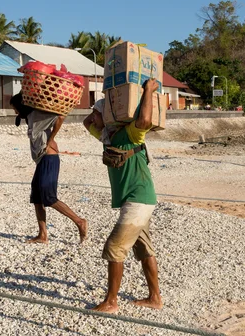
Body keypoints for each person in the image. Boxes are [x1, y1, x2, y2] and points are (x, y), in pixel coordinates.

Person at [83, 79, 163, 313]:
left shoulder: (131, 134)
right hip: (135, 199)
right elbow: (86, 122)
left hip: (138, 199)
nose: (93, 118)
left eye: (96, 114)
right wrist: (101, 111)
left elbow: (145, 120)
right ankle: (155, 298)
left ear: (105, 117)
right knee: (144, 248)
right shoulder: (108, 137)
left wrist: (147, 90)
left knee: (115, 248)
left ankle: (111, 302)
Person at [10, 93, 88, 244]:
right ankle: (42, 235)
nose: (14, 112)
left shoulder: (38, 114)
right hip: (41, 160)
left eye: (15, 108)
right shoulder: (29, 117)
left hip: (49, 158)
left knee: (49, 197)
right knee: (37, 197)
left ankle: (80, 222)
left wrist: (51, 138)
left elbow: (60, 116)